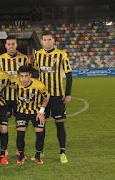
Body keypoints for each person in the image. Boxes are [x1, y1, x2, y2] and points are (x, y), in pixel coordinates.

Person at [32, 31, 72, 163]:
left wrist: (68, 93)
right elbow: (34, 72)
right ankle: (40, 151)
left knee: (59, 124)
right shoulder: (38, 55)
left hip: (57, 96)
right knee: (40, 124)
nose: (47, 42)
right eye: (45, 40)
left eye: (49, 40)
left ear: (53, 40)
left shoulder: (61, 54)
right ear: (42, 41)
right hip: (42, 97)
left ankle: (62, 152)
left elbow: (69, 74)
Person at [10, 65, 50, 164]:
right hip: (21, 112)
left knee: (40, 134)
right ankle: (21, 156)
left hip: (36, 112)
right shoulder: (15, 81)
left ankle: (37, 156)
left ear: (30, 75)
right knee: (20, 134)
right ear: (18, 76)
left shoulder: (39, 85)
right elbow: (3, 80)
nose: (23, 79)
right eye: (21, 76)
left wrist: (41, 112)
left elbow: (46, 97)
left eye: (26, 76)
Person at [0, 35, 29, 157]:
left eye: (13, 44)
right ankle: (4, 150)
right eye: (9, 44)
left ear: (17, 45)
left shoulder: (24, 59)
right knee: (3, 127)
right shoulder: (0, 59)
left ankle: (20, 150)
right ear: (5, 45)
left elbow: (28, 77)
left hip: (20, 99)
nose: (11, 46)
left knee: (21, 126)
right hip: (4, 99)